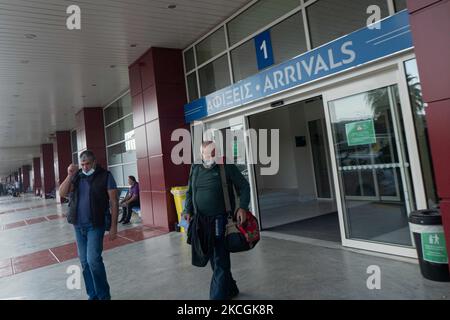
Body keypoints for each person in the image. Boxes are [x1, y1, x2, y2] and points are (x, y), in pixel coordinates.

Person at [183, 141, 250, 300]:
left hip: (221, 219)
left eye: (215, 152)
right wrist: (187, 210)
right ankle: (231, 288)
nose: (213, 155)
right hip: (201, 221)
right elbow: (190, 192)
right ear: (202, 155)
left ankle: (217, 297)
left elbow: (244, 186)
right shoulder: (195, 167)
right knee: (213, 257)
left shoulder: (225, 165)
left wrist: (242, 207)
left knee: (220, 257)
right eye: (210, 153)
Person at [59, 150, 118, 300]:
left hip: (95, 225)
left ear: (94, 162)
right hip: (78, 226)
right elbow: (62, 193)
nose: (85, 167)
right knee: (84, 262)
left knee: (93, 260)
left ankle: (104, 295)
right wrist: (69, 174)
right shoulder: (77, 177)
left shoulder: (105, 176)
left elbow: (114, 202)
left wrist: (113, 227)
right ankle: (92, 295)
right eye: (82, 164)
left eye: (88, 164)